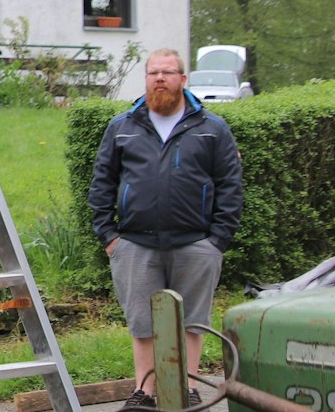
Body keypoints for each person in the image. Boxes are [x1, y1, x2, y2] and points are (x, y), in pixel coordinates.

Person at [88, 50, 243, 410]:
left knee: (192, 321)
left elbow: (230, 186)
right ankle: (145, 391)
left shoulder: (211, 127)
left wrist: (217, 241)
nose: (160, 78)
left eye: (168, 72)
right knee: (142, 323)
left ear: (183, 80)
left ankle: (185, 389)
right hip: (135, 245)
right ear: (145, 79)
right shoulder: (122, 126)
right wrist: (110, 237)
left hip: (196, 244)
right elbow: (101, 184)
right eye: (153, 72)